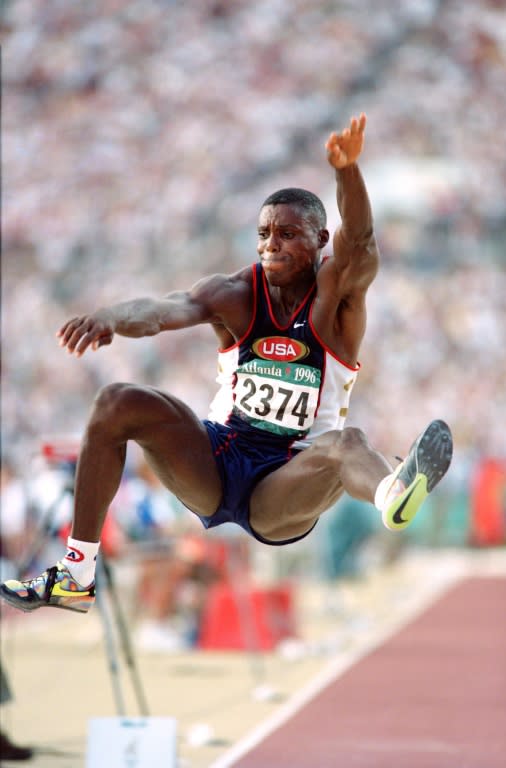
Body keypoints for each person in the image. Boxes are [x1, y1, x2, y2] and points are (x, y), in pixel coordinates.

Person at [0, 113, 453, 614]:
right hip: (216, 462)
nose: (270, 245)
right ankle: (76, 573)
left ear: (321, 241)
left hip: (287, 479)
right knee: (116, 402)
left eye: (286, 234)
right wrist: (110, 316)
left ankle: (393, 495)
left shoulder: (336, 298)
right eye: (263, 234)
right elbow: (161, 311)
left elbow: (362, 244)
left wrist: (347, 172)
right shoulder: (235, 293)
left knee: (347, 443)